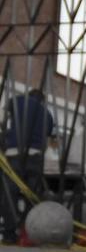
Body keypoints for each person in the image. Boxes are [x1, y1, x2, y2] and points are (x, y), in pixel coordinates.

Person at [0, 89, 56, 243]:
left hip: (14, 155)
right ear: (43, 101)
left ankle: (10, 234)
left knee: (9, 195)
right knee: (32, 196)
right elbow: (48, 137)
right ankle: (28, 233)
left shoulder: (17, 101)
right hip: (35, 157)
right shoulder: (47, 114)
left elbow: (5, 119)